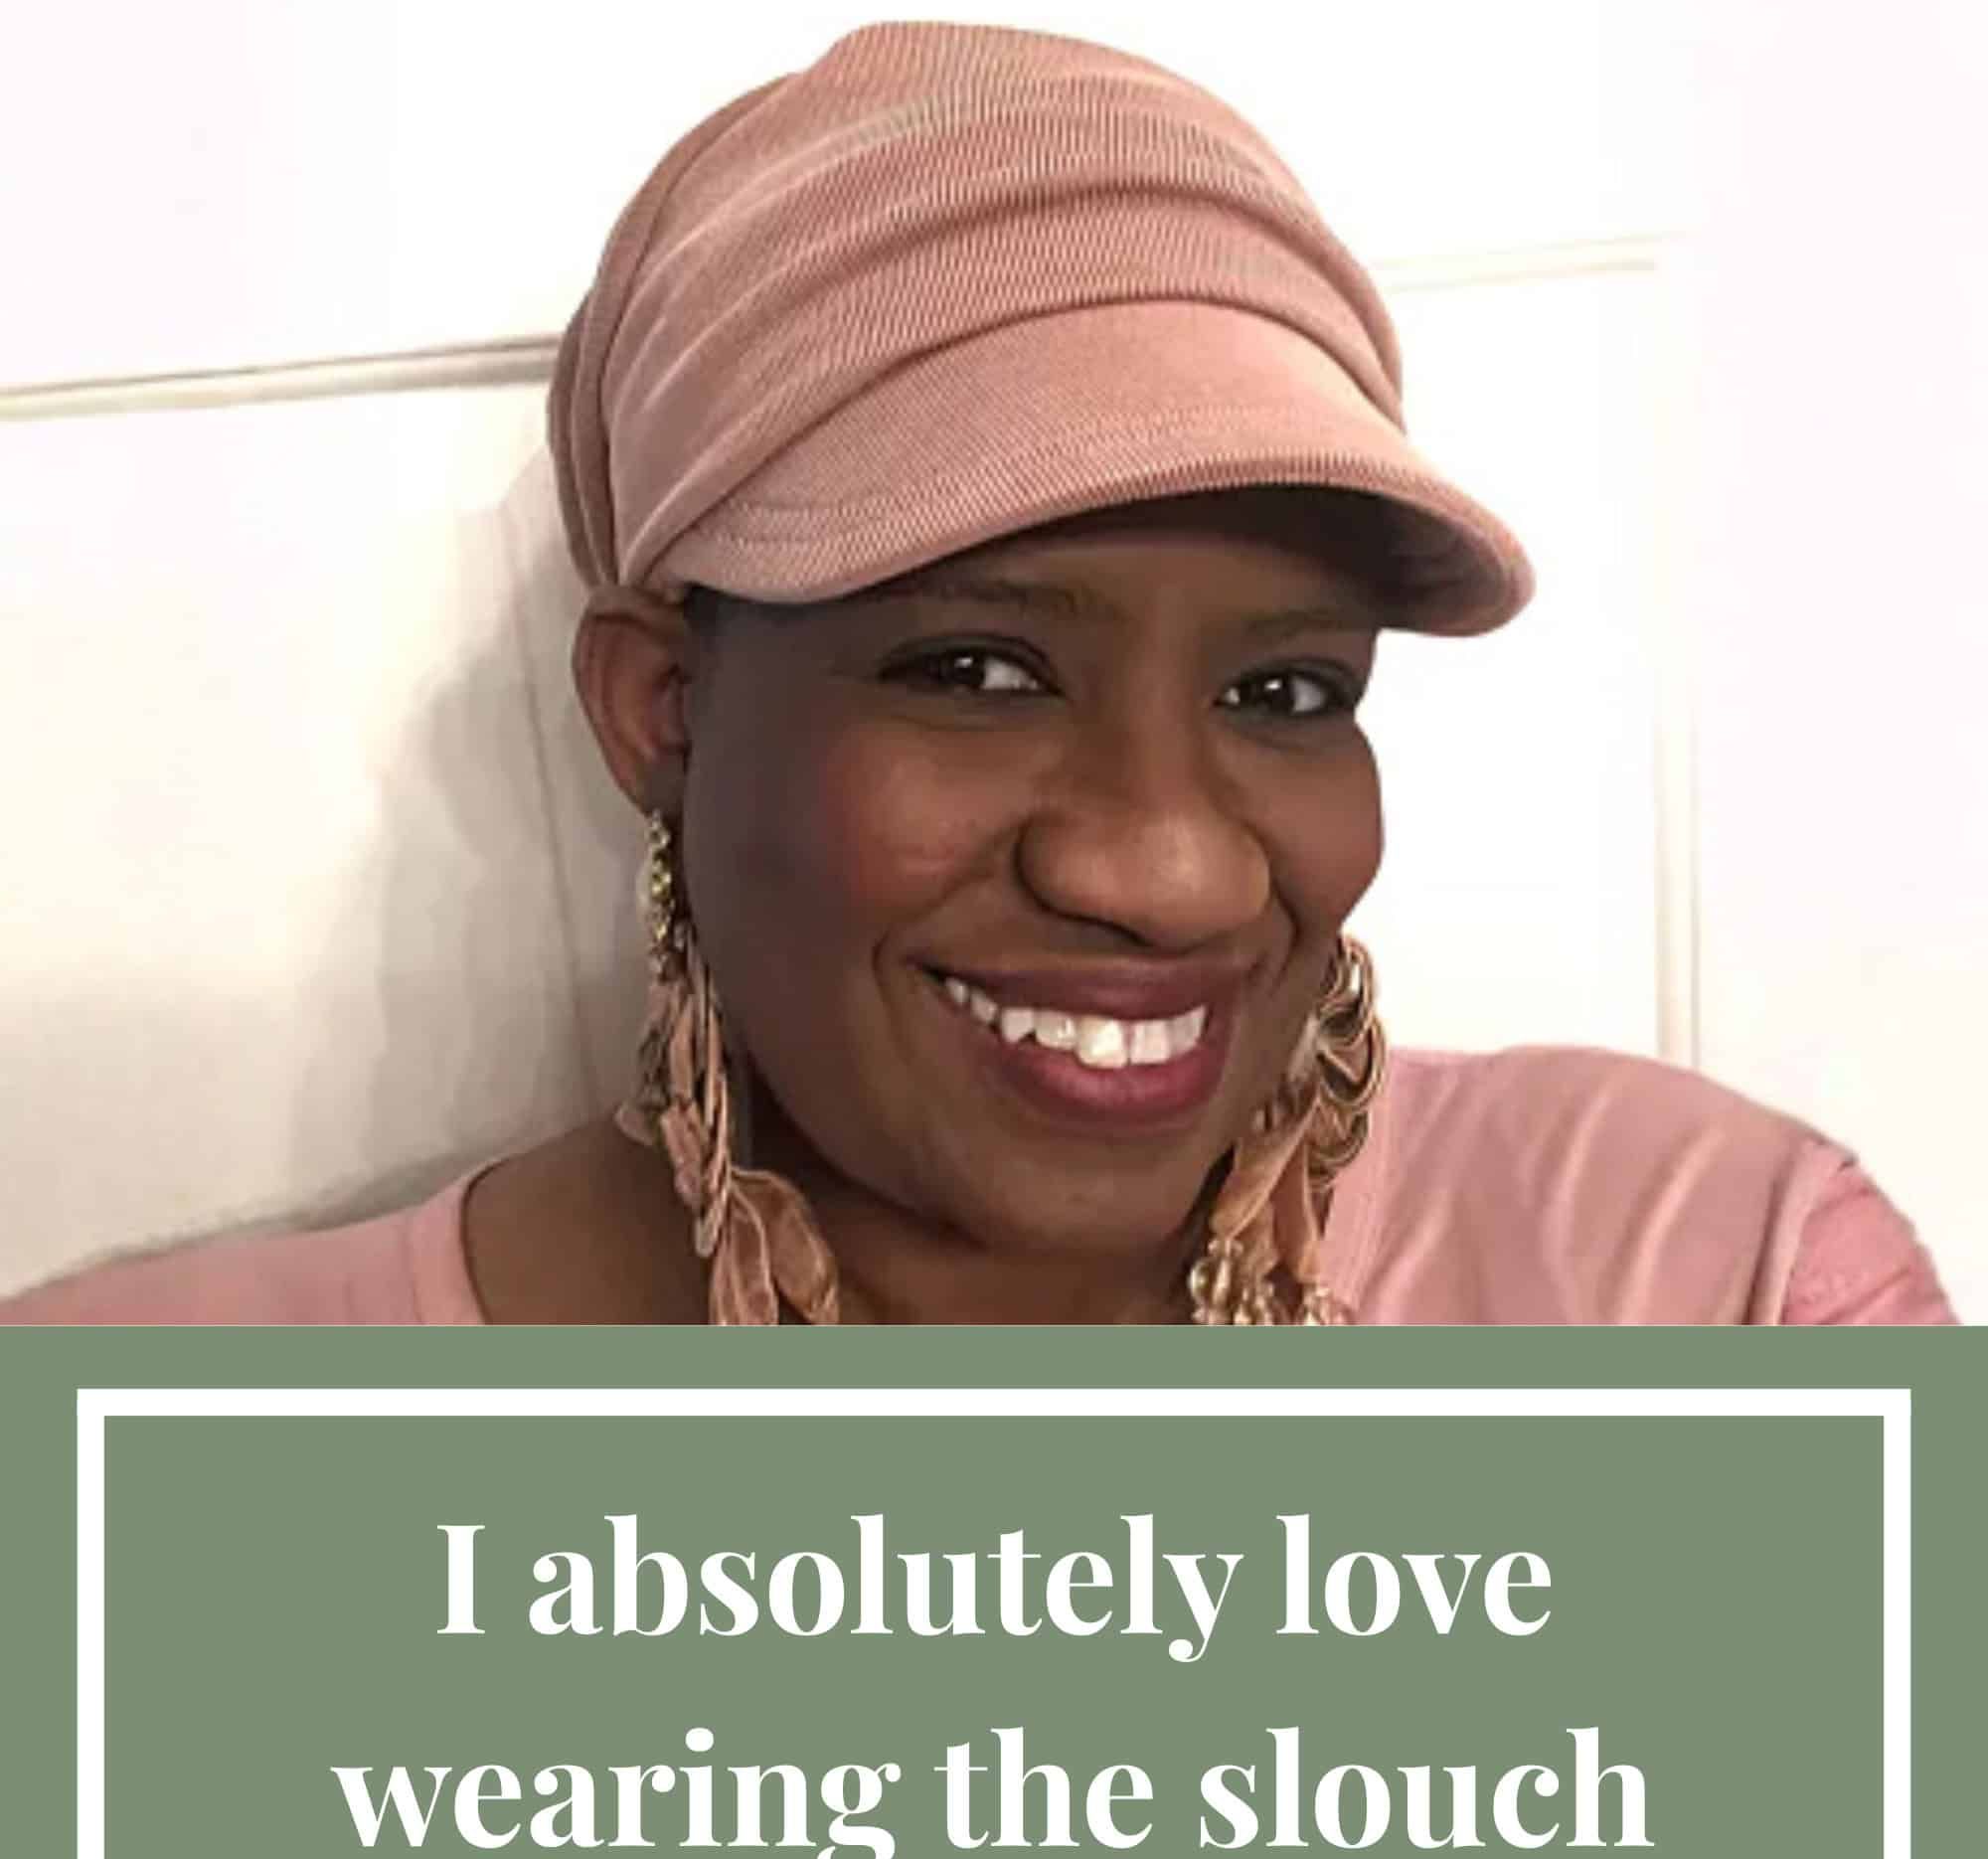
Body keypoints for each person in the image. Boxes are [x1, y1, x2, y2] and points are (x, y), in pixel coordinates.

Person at [0, 20, 1956, 1328]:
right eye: (977, 666)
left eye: (1287, 693)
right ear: (661, 712)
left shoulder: (1707, 1286)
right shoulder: (135, 1481)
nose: (1173, 870)